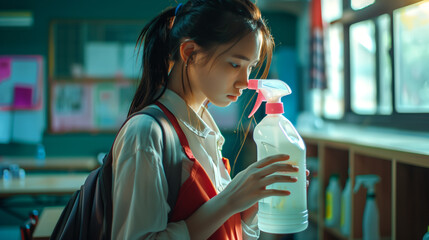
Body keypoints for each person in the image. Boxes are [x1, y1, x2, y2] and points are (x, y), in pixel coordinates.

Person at [111, 0, 304, 239]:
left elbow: (224, 230)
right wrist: (231, 199)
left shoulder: (205, 128)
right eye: (235, 64)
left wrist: (250, 204)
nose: (245, 82)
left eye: (251, 67)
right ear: (190, 53)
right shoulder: (146, 133)